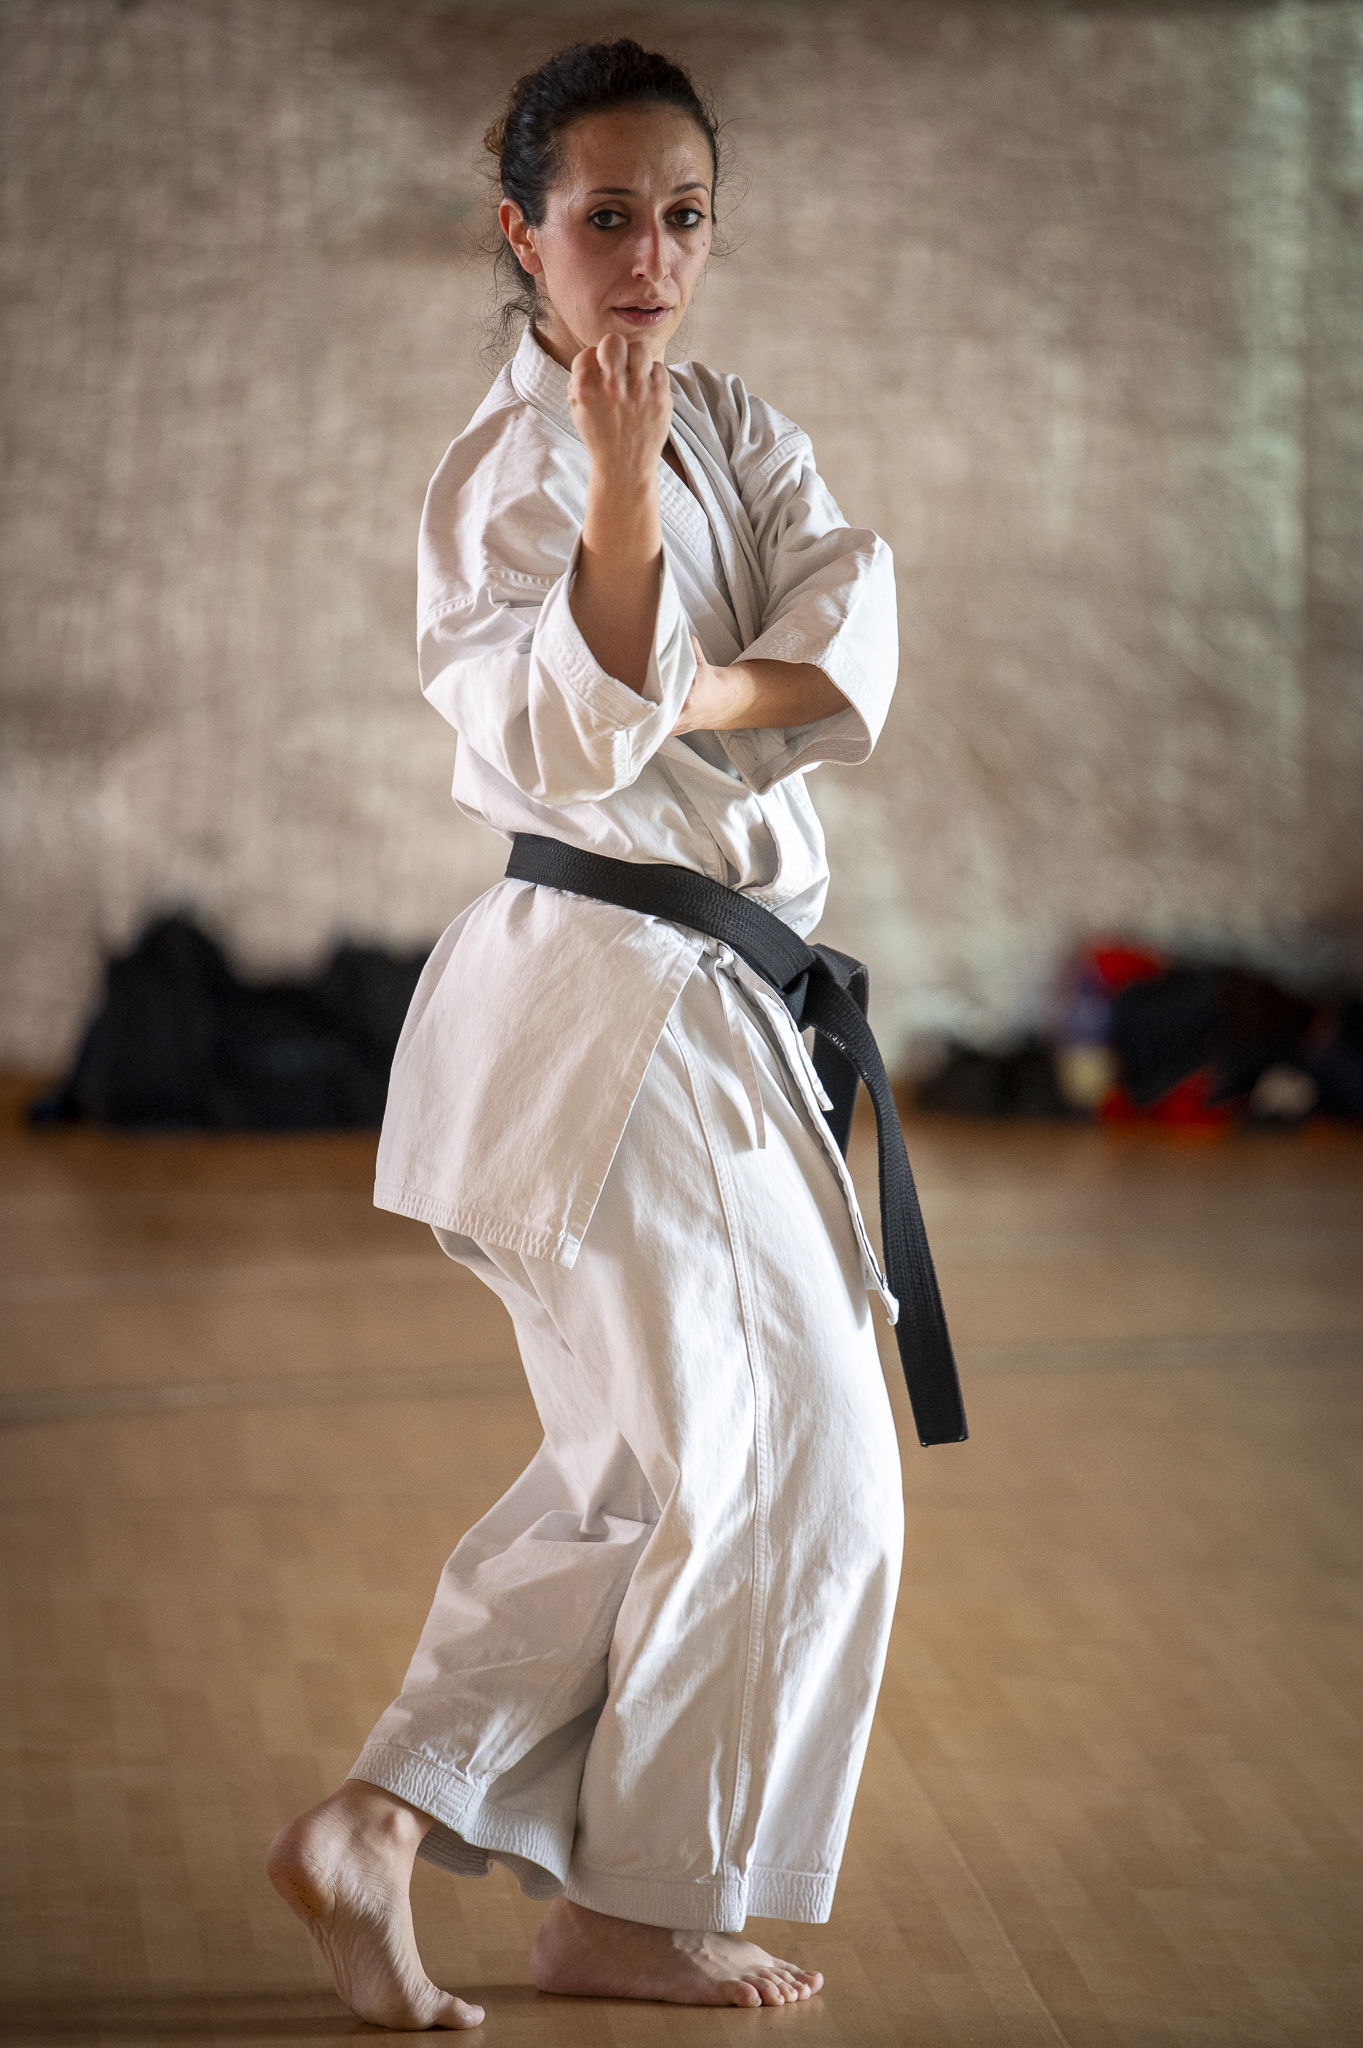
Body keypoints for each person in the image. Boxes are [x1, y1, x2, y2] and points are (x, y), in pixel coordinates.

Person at [267, 35, 909, 2029]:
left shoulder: (736, 420)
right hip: (612, 1011)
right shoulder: (512, 470)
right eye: (606, 217)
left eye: (683, 217)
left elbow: (840, 633)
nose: (650, 259)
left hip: (695, 1006)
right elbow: (568, 732)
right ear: (521, 235)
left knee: (657, 1477)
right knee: (792, 1469)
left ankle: (385, 1826)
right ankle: (636, 1908)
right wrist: (621, 508)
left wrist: (686, 675)